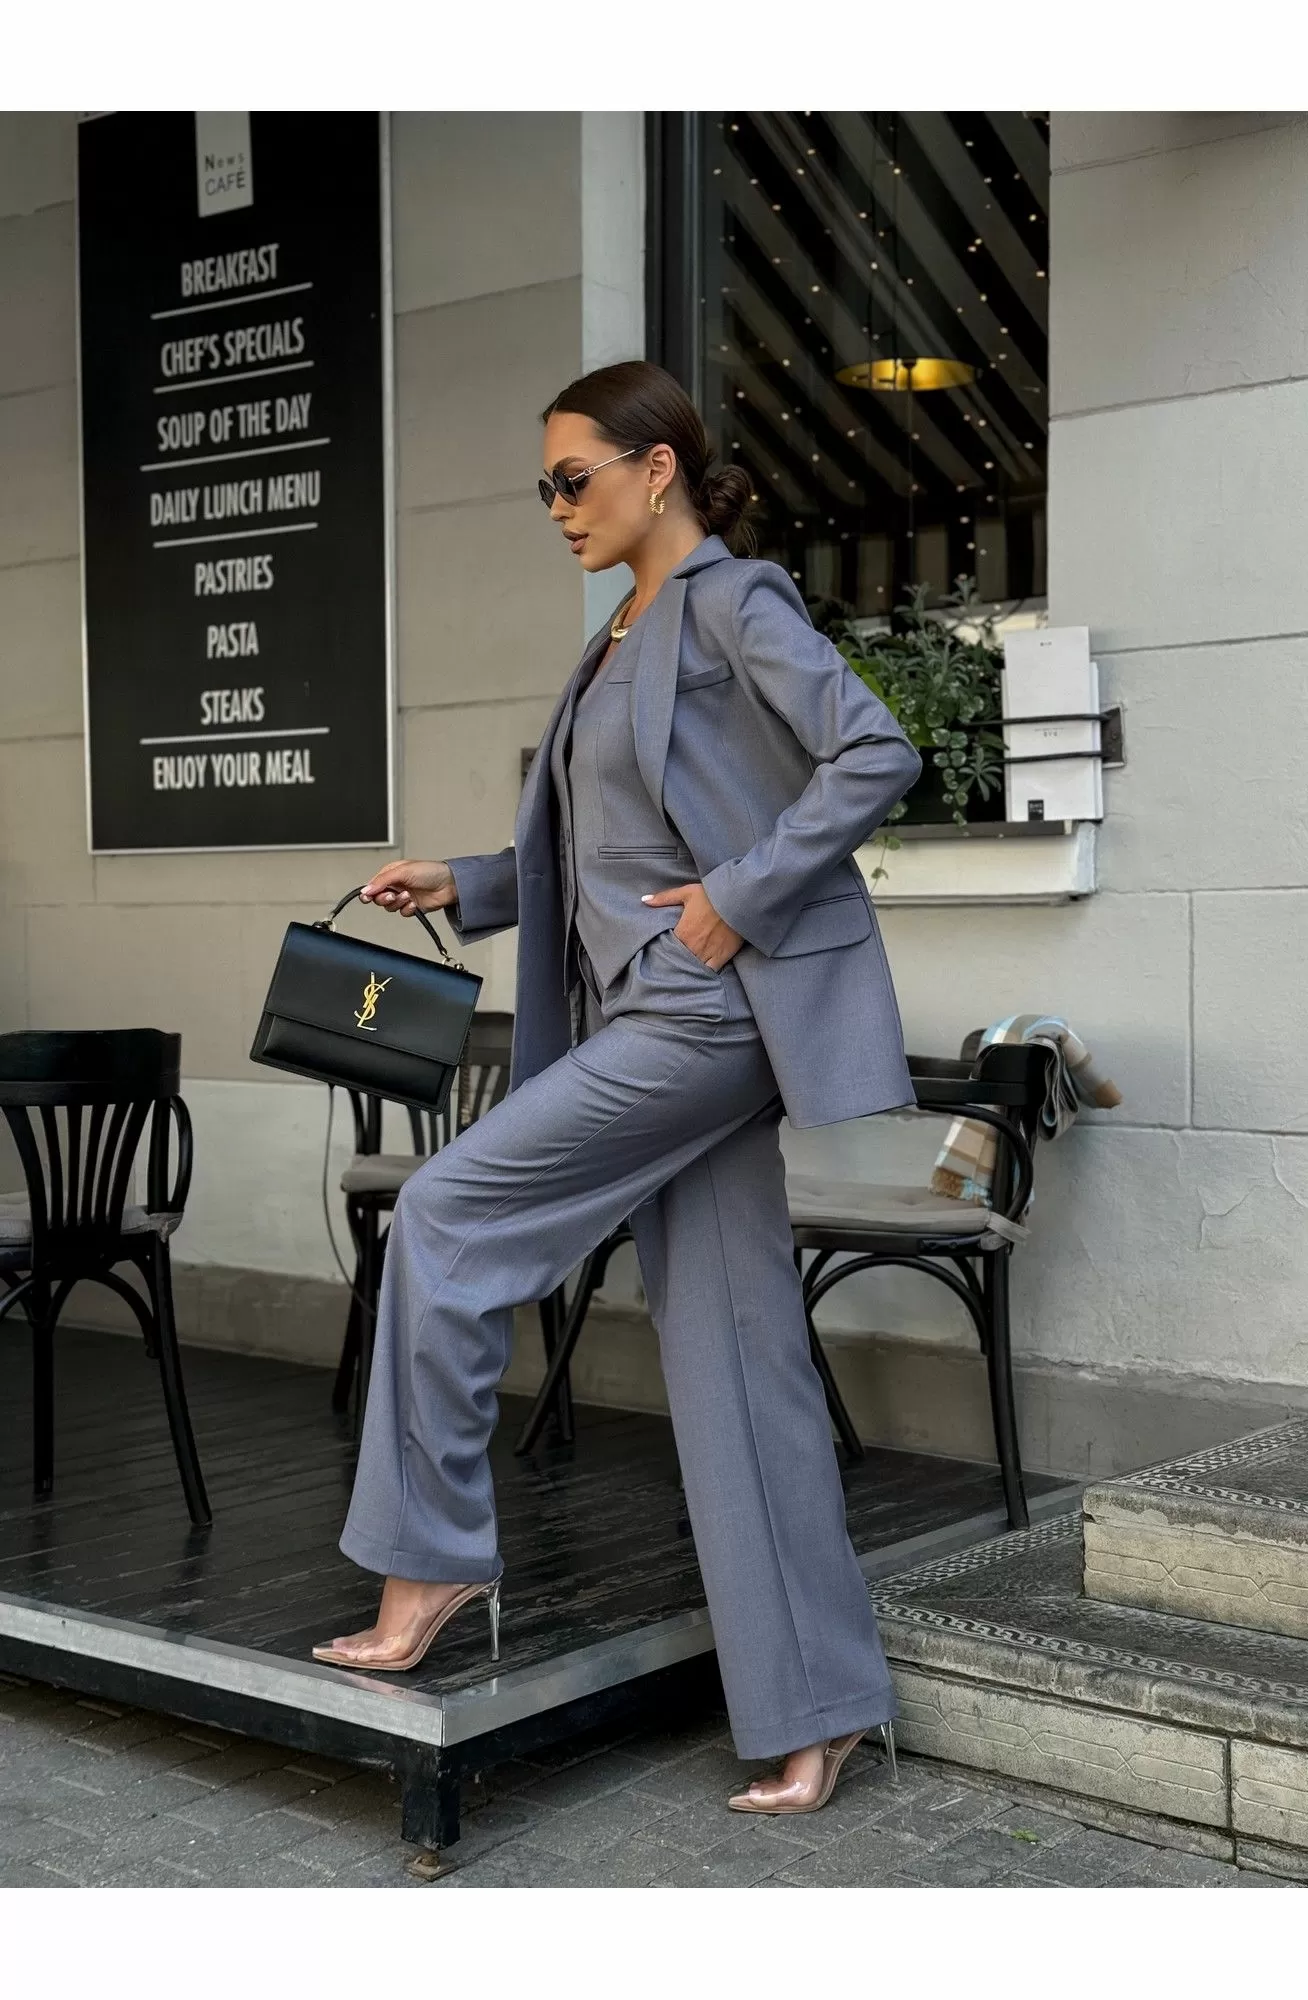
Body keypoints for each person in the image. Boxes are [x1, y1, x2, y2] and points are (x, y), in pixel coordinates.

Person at [313, 359, 923, 1816]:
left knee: (446, 1214)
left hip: (699, 1014)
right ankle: (819, 1707)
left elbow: (876, 750)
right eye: (544, 486)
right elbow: (600, 850)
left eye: (574, 478)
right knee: (737, 1355)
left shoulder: (733, 600)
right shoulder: (616, 641)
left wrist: (738, 897)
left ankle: (431, 1565)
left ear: (659, 470)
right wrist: (466, 884)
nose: (557, 507)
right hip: (651, 1011)